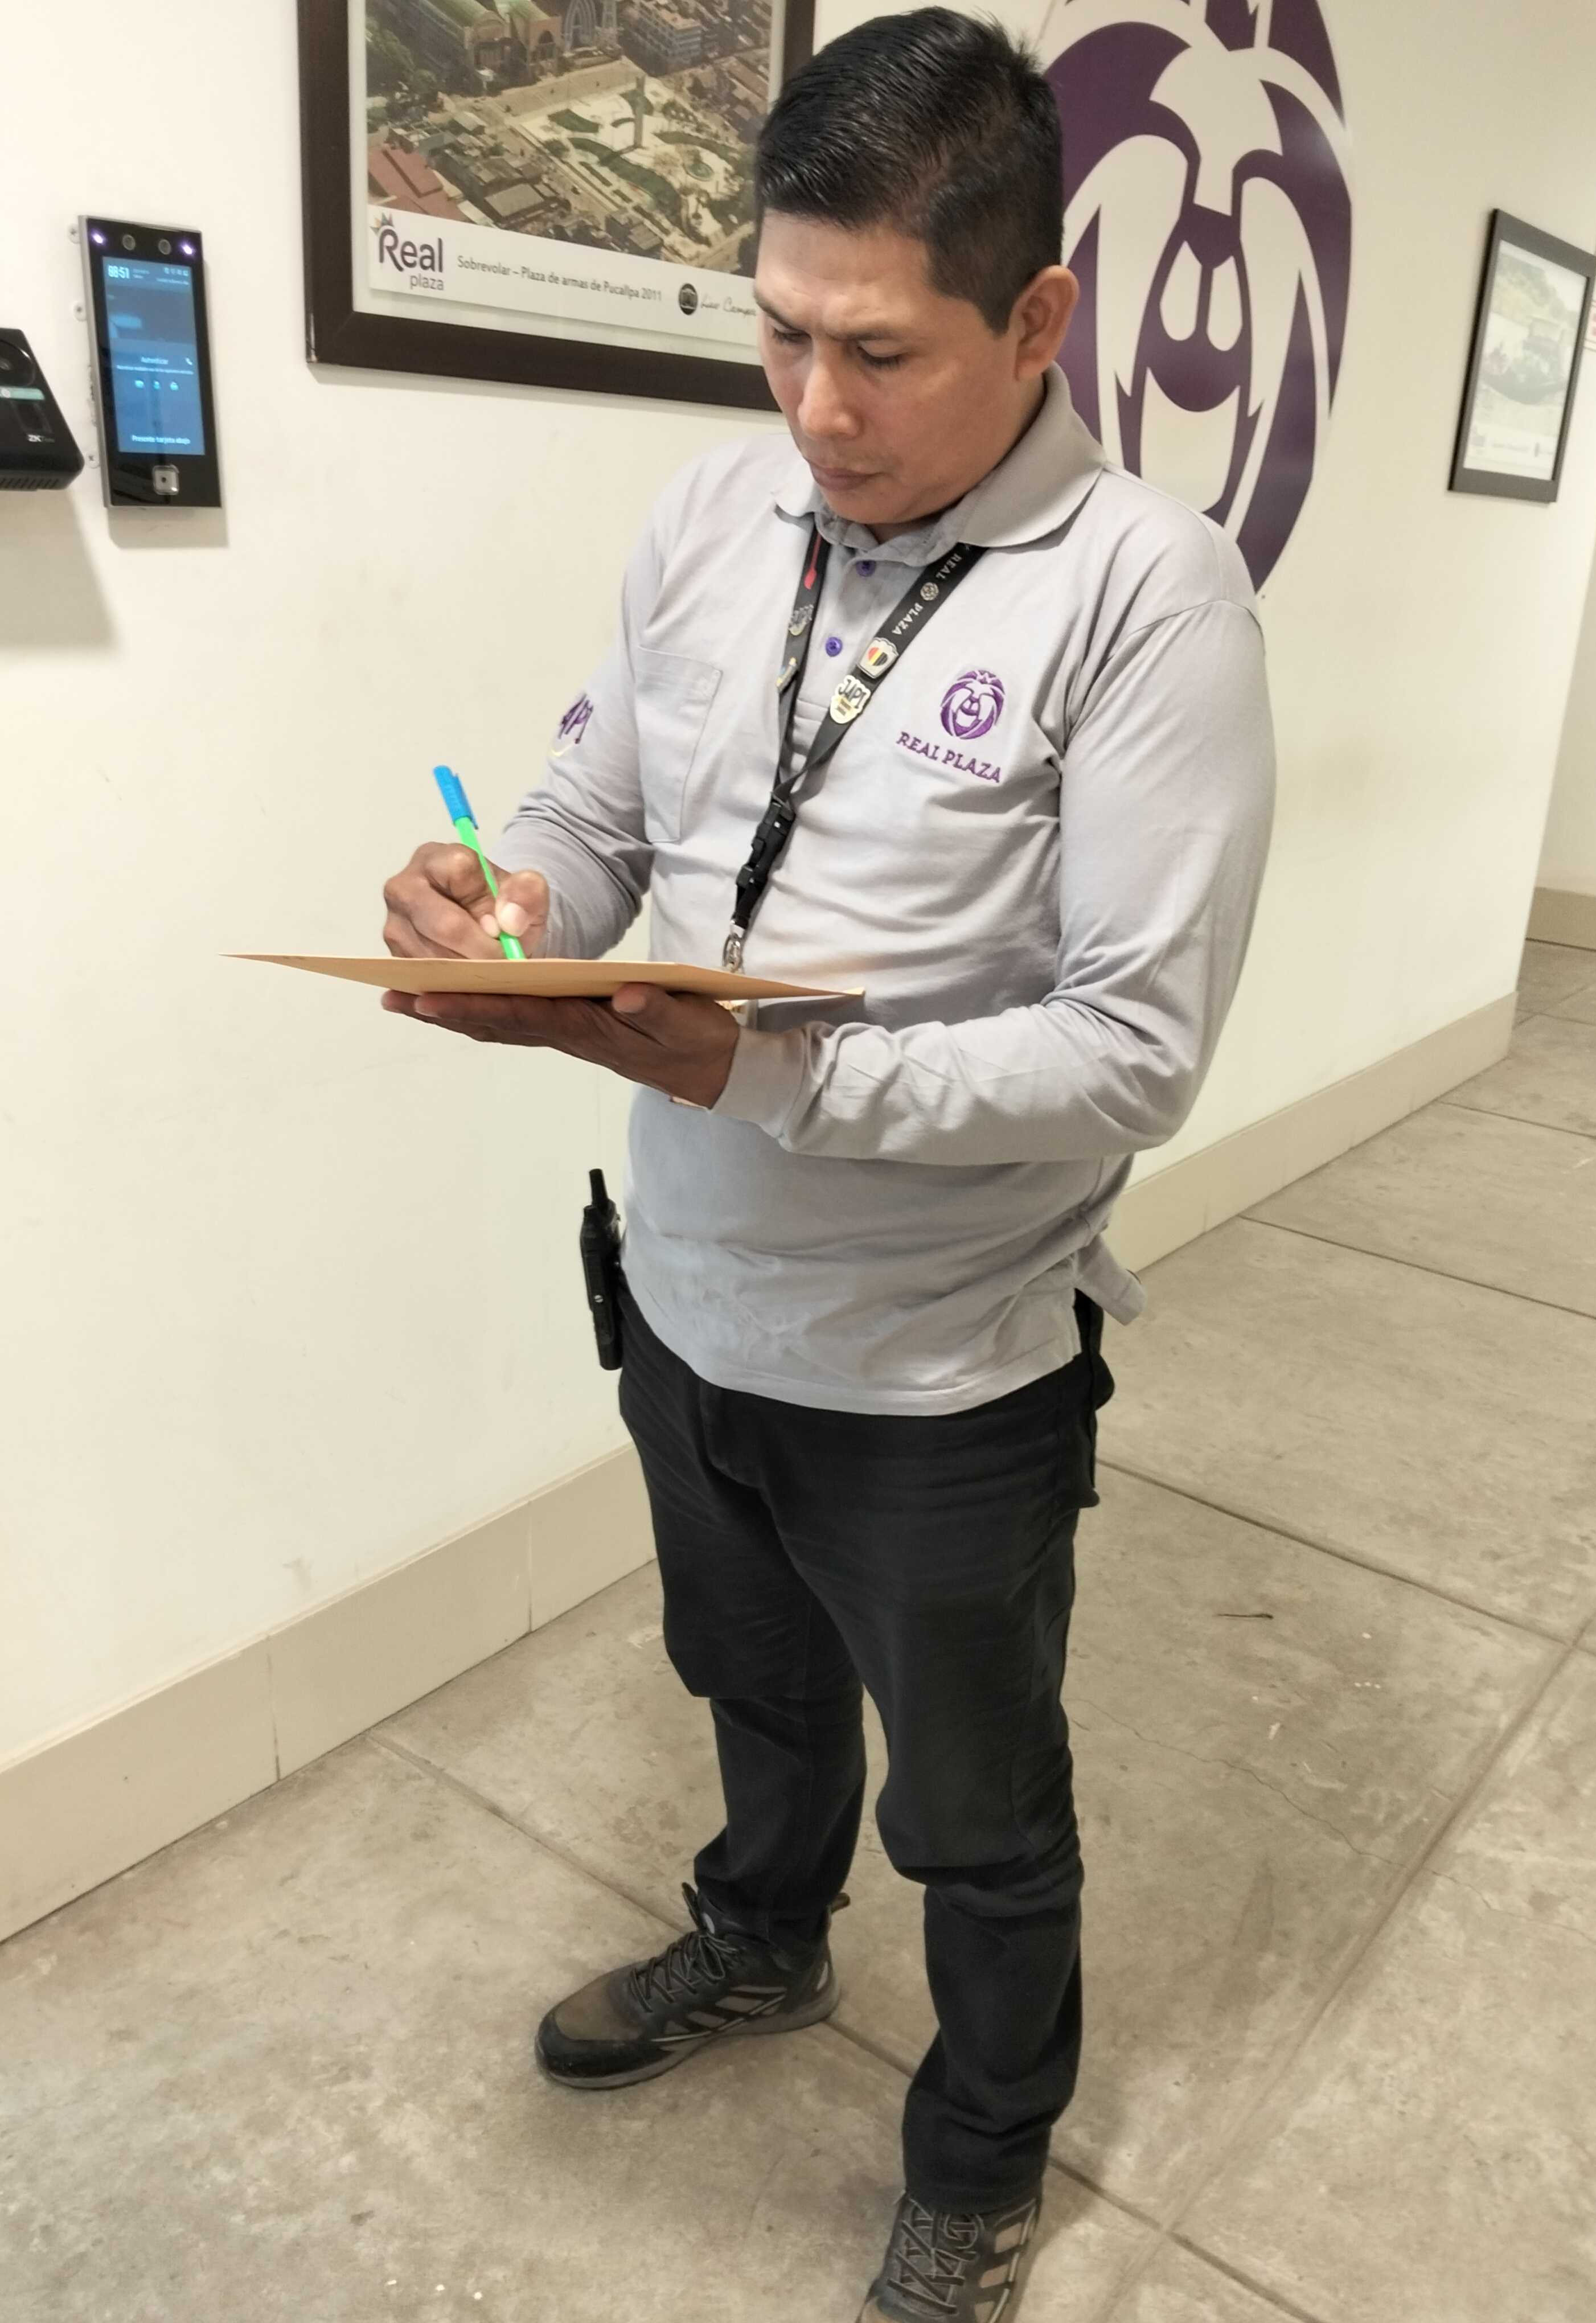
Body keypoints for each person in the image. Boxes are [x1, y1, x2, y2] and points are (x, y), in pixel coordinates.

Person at [380, 11, 1274, 2315]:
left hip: (940, 1372)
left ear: (1038, 320)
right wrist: (515, 904)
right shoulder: (713, 517)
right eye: (779, 333)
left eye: (880, 353)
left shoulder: (1147, 594)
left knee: (978, 1817)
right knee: (750, 1686)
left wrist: (755, 1076)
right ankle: (762, 1939)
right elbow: (594, 812)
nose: (816, 409)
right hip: (687, 1300)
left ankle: (981, 2152)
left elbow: (1137, 1050)